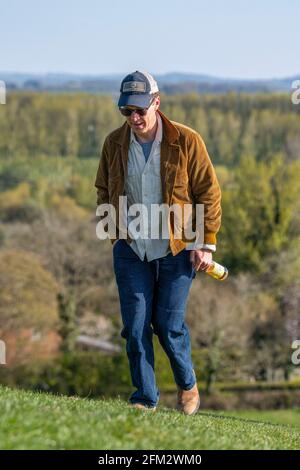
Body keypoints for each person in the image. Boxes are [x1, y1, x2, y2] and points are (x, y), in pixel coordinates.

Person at [95, 71, 222, 414]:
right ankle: (144, 398)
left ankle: (187, 385)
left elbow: (208, 193)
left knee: (167, 326)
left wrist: (204, 244)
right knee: (135, 328)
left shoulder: (187, 140)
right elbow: (103, 188)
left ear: (156, 102)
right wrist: (115, 234)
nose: (134, 118)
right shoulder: (114, 143)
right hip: (131, 248)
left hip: (177, 248)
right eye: (126, 112)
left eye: (139, 110)